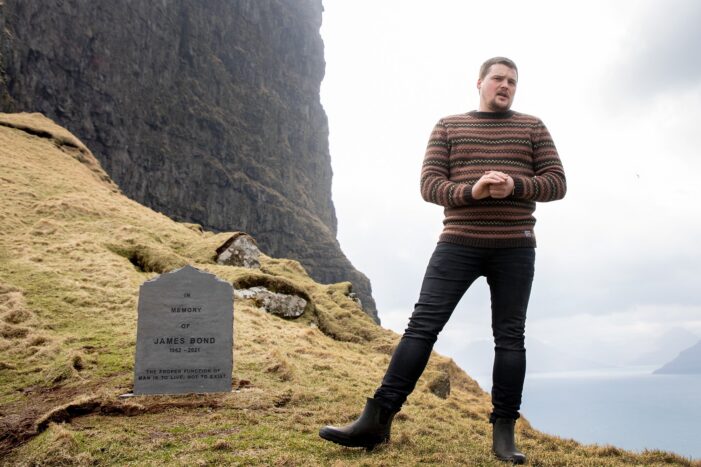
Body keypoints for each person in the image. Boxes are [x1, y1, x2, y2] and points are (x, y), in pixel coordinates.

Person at [319, 57, 566, 464]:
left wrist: (515, 185)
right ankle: (377, 420)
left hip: (516, 246)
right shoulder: (449, 126)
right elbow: (430, 185)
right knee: (422, 327)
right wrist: (476, 191)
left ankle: (504, 434)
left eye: (512, 82)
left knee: (510, 337)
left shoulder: (532, 127)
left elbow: (557, 182)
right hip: (458, 243)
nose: (505, 86)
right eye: (498, 79)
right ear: (480, 83)